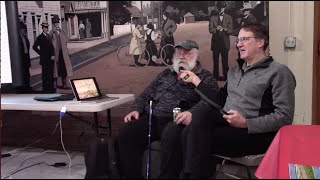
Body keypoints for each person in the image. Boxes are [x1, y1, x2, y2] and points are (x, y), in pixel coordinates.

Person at [177, 23, 296, 178]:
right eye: (238, 40)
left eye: (244, 39)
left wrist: (246, 122)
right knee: (196, 121)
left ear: (261, 42)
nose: (238, 44)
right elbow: (219, 100)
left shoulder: (279, 72)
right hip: (228, 124)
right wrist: (195, 80)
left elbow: (284, 117)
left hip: (256, 133)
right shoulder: (234, 71)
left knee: (198, 138)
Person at [117, 40, 219, 179]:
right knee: (127, 131)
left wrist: (191, 113)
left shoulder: (205, 77)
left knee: (171, 135)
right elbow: (146, 93)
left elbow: (210, 102)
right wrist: (135, 109)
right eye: (179, 53)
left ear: (196, 55)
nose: (182, 56)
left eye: (187, 53)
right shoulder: (166, 73)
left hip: (176, 120)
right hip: (153, 116)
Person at [209, 1, 233, 81]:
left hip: (225, 43)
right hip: (215, 43)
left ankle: (226, 76)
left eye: (222, 7)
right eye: (219, 7)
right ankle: (216, 76)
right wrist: (216, 29)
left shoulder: (229, 17)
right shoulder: (212, 17)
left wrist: (225, 29)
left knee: (225, 61)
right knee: (215, 61)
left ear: (225, 8)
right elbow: (210, 29)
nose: (221, 9)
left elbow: (231, 30)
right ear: (217, 8)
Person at [50, 15, 73, 89]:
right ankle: (54, 84)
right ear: (53, 23)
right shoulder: (51, 32)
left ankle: (64, 83)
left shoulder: (61, 31)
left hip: (62, 53)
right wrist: (51, 54)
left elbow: (65, 42)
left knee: (63, 68)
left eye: (57, 22)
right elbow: (49, 43)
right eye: (55, 22)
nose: (57, 24)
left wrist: (67, 52)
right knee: (55, 69)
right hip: (55, 53)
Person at [33, 20, 56, 93]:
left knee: (50, 74)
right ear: (42, 28)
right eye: (45, 27)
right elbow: (34, 47)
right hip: (44, 60)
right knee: (45, 75)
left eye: (47, 27)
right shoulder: (40, 37)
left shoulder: (49, 36)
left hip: (50, 59)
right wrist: (41, 53)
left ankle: (51, 88)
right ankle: (45, 89)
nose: (46, 29)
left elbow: (52, 47)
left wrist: (53, 54)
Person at [16, 21, 32, 93]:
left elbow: (27, 46)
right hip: (21, 59)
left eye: (24, 29)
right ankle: (23, 88)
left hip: (26, 57)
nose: (24, 30)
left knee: (27, 74)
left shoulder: (25, 37)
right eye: (22, 29)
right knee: (23, 74)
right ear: (20, 30)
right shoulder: (17, 39)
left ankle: (27, 86)